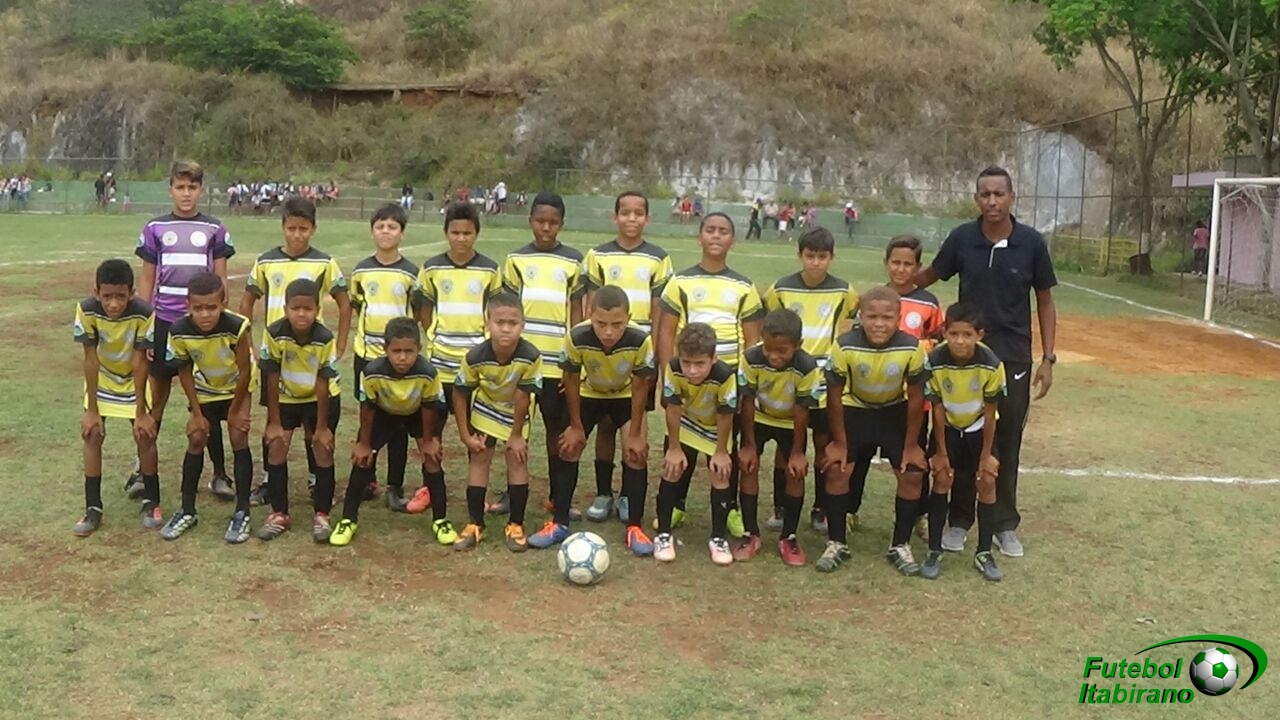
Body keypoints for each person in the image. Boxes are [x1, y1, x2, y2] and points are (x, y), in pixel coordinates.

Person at [913, 165, 1057, 558]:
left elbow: (1045, 300)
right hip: (964, 357)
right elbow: (932, 274)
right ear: (976, 199)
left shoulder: (1031, 243)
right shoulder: (963, 238)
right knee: (962, 439)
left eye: (999, 194)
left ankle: (1003, 524)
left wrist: (1048, 357)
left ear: (1012, 197)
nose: (992, 201)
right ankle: (960, 521)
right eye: (984, 194)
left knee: (1006, 441)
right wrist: (896, 288)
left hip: (1012, 357)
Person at [131, 160, 234, 502]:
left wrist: (220, 323)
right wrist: (146, 325)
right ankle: (142, 469)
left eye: (192, 187)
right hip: (164, 322)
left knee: (206, 401)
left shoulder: (215, 228)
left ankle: (219, 474)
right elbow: (147, 279)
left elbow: (221, 279)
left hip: (201, 326)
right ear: (170, 190)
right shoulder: (155, 227)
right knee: (157, 397)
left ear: (201, 190)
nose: (186, 194)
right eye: (180, 187)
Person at [657, 212, 764, 536]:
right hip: (687, 378)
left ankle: (728, 508)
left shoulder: (744, 286)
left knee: (725, 446)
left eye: (724, 231)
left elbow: (752, 340)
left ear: (733, 240)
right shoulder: (680, 282)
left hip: (725, 381)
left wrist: (743, 383)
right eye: (710, 230)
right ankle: (676, 504)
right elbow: (666, 331)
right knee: (680, 441)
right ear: (699, 237)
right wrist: (667, 376)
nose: (716, 236)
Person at [239, 196, 350, 506]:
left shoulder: (324, 263)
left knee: (314, 421)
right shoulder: (266, 262)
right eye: (291, 228)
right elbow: (247, 302)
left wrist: (340, 344)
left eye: (303, 229)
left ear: (313, 228)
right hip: (276, 356)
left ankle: (317, 479)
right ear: (283, 227)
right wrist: (249, 345)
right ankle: (268, 481)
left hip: (310, 354)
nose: (297, 234)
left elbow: (344, 303)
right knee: (274, 420)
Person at [532, 285, 657, 555]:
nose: (608, 332)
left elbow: (640, 386)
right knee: (569, 446)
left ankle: (635, 527)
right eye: (601, 323)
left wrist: (636, 432)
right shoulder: (577, 336)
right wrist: (576, 426)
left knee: (636, 453)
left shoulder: (640, 339)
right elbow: (571, 380)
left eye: (617, 324)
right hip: (589, 393)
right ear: (590, 315)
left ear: (629, 318)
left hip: (625, 395)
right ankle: (559, 523)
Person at [820, 286, 928, 575]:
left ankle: (900, 545)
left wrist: (911, 445)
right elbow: (834, 395)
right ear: (860, 317)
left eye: (887, 317)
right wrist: (839, 443)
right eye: (872, 316)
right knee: (837, 469)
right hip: (855, 409)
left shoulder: (912, 347)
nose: (879, 324)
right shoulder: (844, 345)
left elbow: (916, 397)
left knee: (912, 472)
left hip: (894, 411)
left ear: (899, 318)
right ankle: (836, 542)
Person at [580, 191, 672, 523]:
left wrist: (656, 361)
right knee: (605, 425)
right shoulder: (597, 255)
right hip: (603, 355)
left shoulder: (658, 258)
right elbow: (590, 308)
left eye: (638, 213)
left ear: (648, 218)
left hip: (638, 357)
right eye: (625, 212)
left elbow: (660, 313)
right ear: (614, 216)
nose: (631, 218)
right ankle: (604, 492)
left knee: (633, 425)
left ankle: (627, 496)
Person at [762, 226, 860, 534]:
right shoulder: (780, 289)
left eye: (822, 256)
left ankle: (821, 508)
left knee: (822, 446)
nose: (815, 262)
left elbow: (857, 317)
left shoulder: (844, 291)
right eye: (810, 256)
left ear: (832, 257)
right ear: (800, 255)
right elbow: (772, 326)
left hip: (825, 382)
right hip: (790, 378)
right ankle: (781, 507)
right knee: (787, 446)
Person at [844, 235, 944, 534]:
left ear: (918, 266)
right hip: (870, 393)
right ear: (886, 263)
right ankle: (849, 509)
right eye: (895, 262)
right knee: (859, 456)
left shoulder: (928, 302)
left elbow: (937, 340)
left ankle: (919, 515)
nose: (901, 269)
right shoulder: (874, 298)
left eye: (908, 264)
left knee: (913, 459)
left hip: (910, 399)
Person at [329, 318, 450, 547]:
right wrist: (364, 443)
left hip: (416, 412)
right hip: (384, 413)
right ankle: (348, 520)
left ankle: (441, 520)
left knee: (432, 460)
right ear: (386, 349)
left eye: (409, 351)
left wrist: (428, 440)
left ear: (418, 349)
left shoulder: (428, 373)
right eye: (396, 351)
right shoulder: (372, 372)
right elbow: (367, 407)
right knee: (362, 460)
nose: (402, 357)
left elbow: (430, 406)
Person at [501, 193, 585, 518]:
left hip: (555, 364)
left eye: (552, 222)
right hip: (523, 362)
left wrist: (573, 362)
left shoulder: (573, 261)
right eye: (540, 221)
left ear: (562, 224)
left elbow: (577, 313)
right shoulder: (516, 260)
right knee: (517, 429)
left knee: (556, 432)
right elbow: (508, 312)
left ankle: (557, 496)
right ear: (530, 221)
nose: (546, 228)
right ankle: (512, 493)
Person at [156, 272, 254, 543]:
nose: (205, 314)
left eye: (211, 307)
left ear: (223, 303)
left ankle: (242, 511)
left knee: (238, 435)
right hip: (205, 387)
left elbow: (245, 370)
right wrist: (196, 413)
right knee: (197, 436)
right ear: (188, 305)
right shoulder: (179, 330)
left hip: (236, 386)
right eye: (198, 308)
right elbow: (184, 370)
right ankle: (187, 510)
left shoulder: (238, 326)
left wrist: (235, 411)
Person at [71, 260, 160, 536]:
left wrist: (141, 412)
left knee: (145, 436)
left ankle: (152, 501)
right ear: (96, 292)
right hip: (103, 377)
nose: (113, 303)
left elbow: (141, 361)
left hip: (134, 379)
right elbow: (90, 360)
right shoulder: (86, 310)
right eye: (107, 296)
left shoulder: (144, 313)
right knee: (92, 435)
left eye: (120, 296)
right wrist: (92, 410)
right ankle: (93, 507)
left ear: (132, 293)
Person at [450, 293, 542, 552]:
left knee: (517, 458)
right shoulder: (475, 357)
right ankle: (475, 524)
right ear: (487, 323)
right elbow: (459, 393)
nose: (506, 328)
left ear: (523, 325)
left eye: (513, 323)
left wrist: (516, 436)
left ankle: (516, 524)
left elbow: (523, 395)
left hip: (516, 410)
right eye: (499, 322)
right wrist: (465, 434)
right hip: (487, 406)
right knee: (480, 458)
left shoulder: (531, 356)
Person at [922, 302, 1007, 581]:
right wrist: (941, 452)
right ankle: (934, 550)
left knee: (987, 481)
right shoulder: (934, 360)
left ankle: (984, 553)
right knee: (941, 477)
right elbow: (936, 408)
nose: (960, 341)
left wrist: (986, 454)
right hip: (948, 428)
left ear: (979, 335)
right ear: (944, 332)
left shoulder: (991, 364)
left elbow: (991, 412)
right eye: (954, 334)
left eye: (967, 335)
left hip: (978, 428)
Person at [256, 279, 342, 543]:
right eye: (295, 308)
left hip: (320, 398)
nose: (301, 314)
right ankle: (279, 513)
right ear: (285, 309)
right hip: (286, 397)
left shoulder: (324, 337)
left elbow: (323, 381)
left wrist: (321, 428)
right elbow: (271, 375)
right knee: (277, 445)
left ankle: (322, 514)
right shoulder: (274, 333)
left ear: (317, 310)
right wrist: (273, 421)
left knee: (321, 449)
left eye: (307, 308)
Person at [737, 309, 822, 565]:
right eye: (768, 349)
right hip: (759, 418)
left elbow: (802, 410)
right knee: (748, 466)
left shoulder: (807, 366)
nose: (773, 356)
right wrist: (749, 444)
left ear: (798, 345)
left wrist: (797, 452)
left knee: (795, 472)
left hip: (790, 422)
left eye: (782, 351)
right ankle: (750, 533)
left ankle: (789, 536)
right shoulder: (751, 358)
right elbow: (747, 400)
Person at [349, 204, 420, 512]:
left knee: (399, 424)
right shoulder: (361, 270)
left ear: (402, 233)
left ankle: (395, 486)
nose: (386, 232)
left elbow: (416, 312)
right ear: (372, 231)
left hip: (400, 360)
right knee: (368, 417)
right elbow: (357, 305)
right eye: (380, 226)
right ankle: (367, 479)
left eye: (392, 227)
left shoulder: (412, 273)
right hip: (367, 356)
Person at [655, 323, 738, 564]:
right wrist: (674, 448)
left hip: (714, 427)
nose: (692, 370)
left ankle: (718, 538)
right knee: (672, 469)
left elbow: (725, 415)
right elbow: (672, 407)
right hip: (686, 424)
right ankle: (663, 535)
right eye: (687, 362)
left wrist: (721, 452)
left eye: (700, 363)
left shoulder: (725, 375)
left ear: (713, 358)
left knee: (720, 473)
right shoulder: (673, 368)